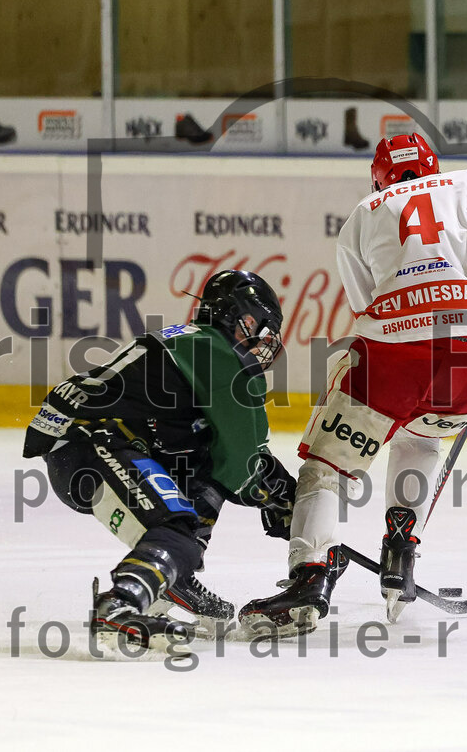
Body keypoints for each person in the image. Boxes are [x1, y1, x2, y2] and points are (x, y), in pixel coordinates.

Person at [238, 133, 467, 635]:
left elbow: (365, 308)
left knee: (329, 467)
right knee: (424, 440)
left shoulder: (363, 212)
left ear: (378, 177)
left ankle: (310, 579)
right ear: (433, 166)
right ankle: (400, 555)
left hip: (395, 346)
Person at [23, 269, 297, 650]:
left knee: (200, 456)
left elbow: (223, 451)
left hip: (85, 444)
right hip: (95, 443)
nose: (262, 342)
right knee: (178, 526)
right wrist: (285, 500)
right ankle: (120, 605)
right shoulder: (221, 355)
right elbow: (243, 463)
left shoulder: (186, 339)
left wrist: (274, 490)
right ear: (243, 318)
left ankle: (169, 572)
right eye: (260, 327)